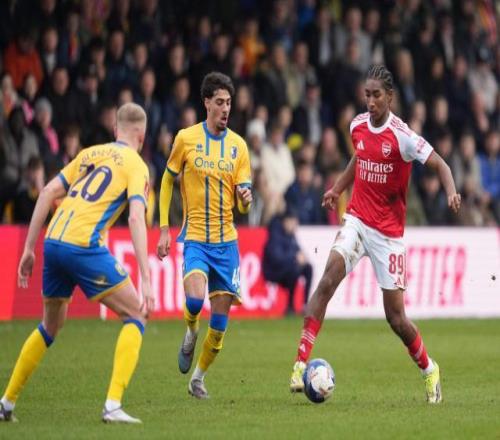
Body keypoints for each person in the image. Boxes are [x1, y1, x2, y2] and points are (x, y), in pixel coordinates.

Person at [289, 65, 461, 404]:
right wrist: (338, 188)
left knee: (396, 318)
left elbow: (440, 164)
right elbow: (359, 157)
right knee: (326, 281)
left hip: (388, 236)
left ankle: (430, 369)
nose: (370, 101)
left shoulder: (403, 137)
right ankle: (299, 365)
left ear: (390, 97)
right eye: (367, 95)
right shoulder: (357, 125)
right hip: (357, 220)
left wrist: (451, 191)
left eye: (376, 95)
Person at [0, 103, 154, 424]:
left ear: (115, 130)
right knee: (136, 314)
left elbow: (46, 192)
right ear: (142, 135)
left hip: (53, 241)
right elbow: (136, 217)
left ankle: (6, 402)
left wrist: (29, 248)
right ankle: (113, 405)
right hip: (83, 244)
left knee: (50, 326)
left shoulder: (89, 153)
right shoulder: (136, 165)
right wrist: (146, 277)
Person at [156, 72, 252, 399]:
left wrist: (245, 198)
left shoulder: (239, 146)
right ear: (207, 103)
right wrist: (165, 229)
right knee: (195, 301)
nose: (226, 109)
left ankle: (197, 379)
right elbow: (167, 180)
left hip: (227, 244)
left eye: (229, 103)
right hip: (195, 237)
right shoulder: (185, 139)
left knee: (220, 327)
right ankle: (190, 330)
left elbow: (243, 203)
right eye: (220, 102)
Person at [262, 208, 313, 315]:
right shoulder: (275, 235)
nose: (295, 225)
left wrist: (302, 257)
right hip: (274, 271)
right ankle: (290, 306)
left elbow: (298, 251)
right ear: (286, 222)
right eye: (293, 222)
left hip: (287, 268)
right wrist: (295, 257)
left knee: (308, 268)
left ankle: (305, 305)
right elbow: (276, 258)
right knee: (295, 269)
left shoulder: (291, 236)